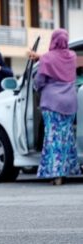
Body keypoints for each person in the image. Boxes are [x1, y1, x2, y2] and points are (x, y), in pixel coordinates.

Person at [29, 29, 81, 185]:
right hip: (70, 102)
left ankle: (56, 174)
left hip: (52, 103)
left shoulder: (47, 59)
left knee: (53, 138)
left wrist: (37, 85)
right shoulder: (72, 57)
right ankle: (67, 170)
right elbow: (61, 60)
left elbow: (39, 81)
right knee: (66, 138)